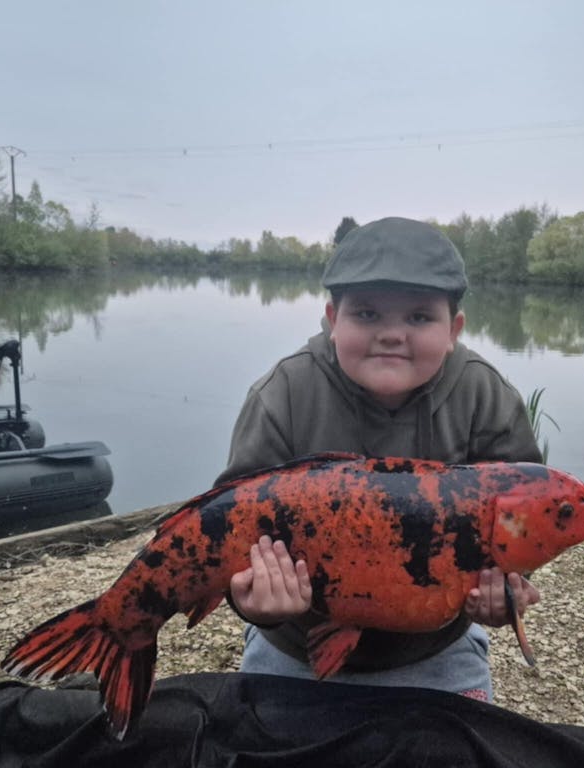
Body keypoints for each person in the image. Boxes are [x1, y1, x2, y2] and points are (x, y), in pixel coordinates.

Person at [217, 216, 543, 701]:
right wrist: (252, 602)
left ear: (453, 328)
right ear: (332, 320)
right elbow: (221, 537)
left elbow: (524, 526)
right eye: (367, 314)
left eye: (418, 317)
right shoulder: (281, 394)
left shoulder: (485, 395)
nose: (392, 334)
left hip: (433, 649)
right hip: (293, 644)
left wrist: (506, 590)